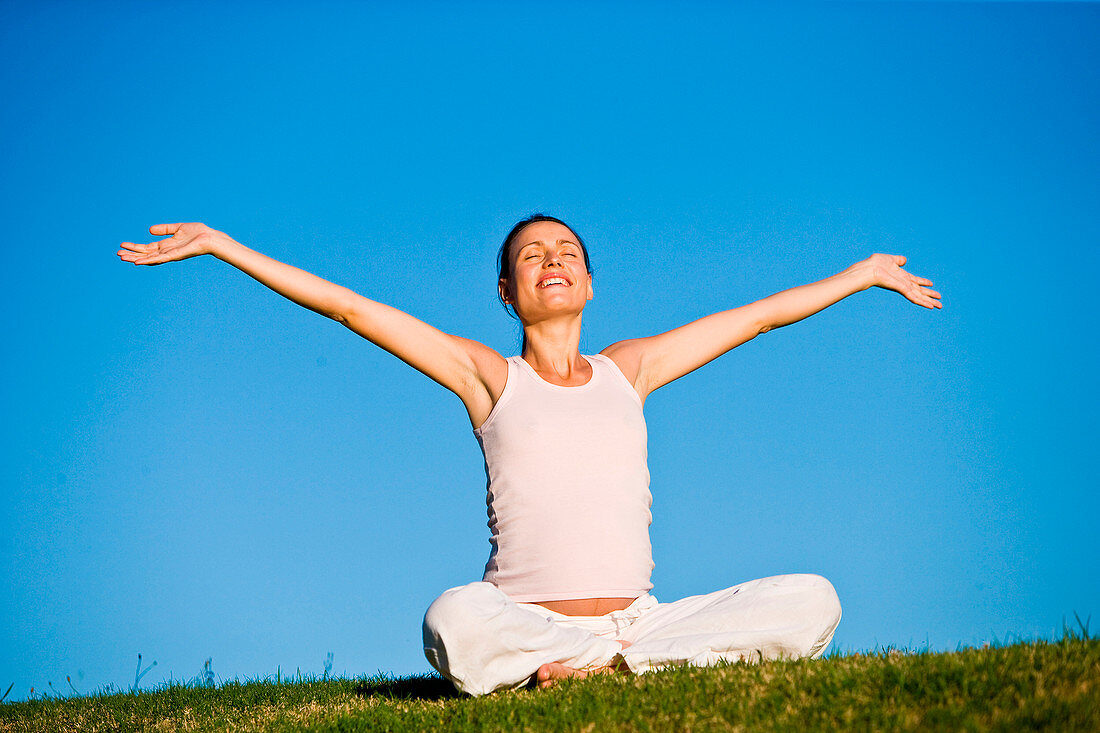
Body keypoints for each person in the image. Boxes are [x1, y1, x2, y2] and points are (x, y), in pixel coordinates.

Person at [117, 215, 942, 695]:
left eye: (567, 253)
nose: (553, 261)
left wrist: (861, 274)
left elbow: (757, 316)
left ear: (589, 282)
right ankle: (591, 660)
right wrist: (225, 246)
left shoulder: (631, 368)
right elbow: (349, 310)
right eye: (532, 256)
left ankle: (607, 659)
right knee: (451, 619)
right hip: (527, 620)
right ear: (509, 292)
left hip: (641, 618)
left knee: (815, 598)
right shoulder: (489, 377)